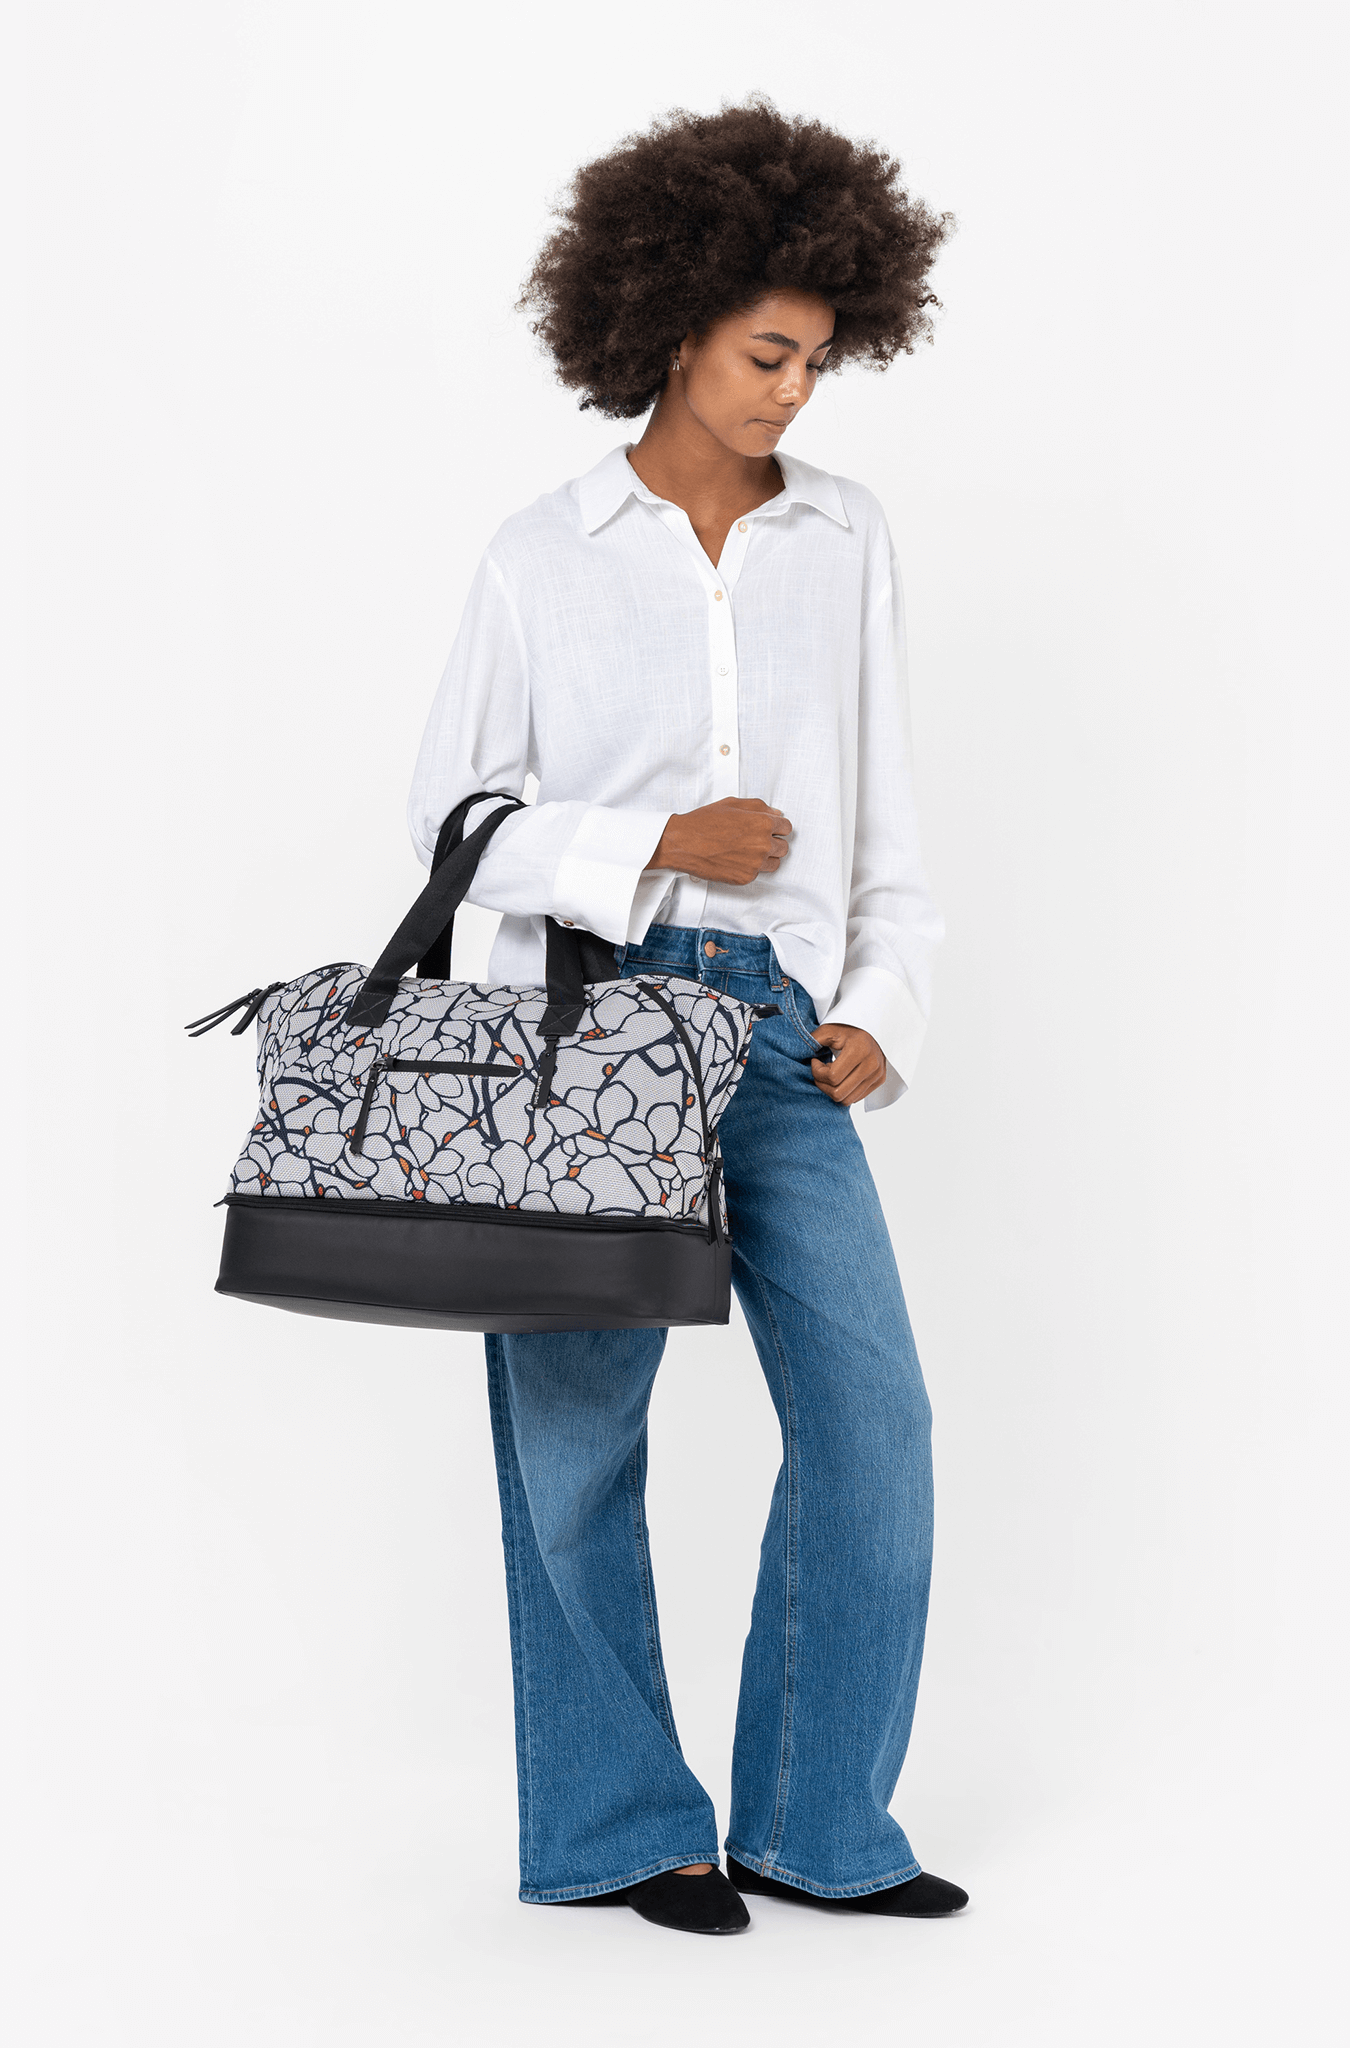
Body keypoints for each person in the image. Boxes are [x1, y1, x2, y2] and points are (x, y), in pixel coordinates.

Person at [407, 99, 964, 1936]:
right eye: (764, 355)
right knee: (575, 1439)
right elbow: (453, 823)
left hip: (778, 1031)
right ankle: (623, 1831)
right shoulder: (541, 552)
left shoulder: (845, 539)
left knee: (873, 1423)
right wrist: (655, 843)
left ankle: (815, 1825)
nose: (794, 392)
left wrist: (878, 1005)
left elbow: (888, 815)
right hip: (586, 1036)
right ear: (668, 326)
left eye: (816, 361)